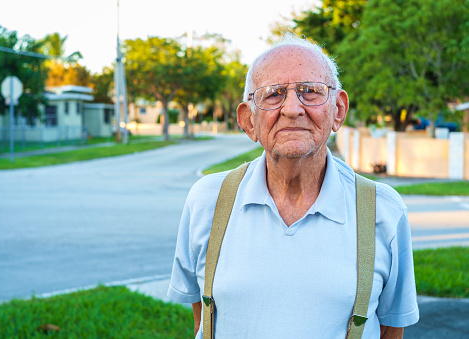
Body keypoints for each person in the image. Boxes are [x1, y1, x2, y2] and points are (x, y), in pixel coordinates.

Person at [167, 34, 419, 338]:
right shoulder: (208, 200)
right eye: (273, 94)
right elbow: (202, 322)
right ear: (248, 121)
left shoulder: (383, 211)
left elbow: (392, 329)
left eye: (310, 91)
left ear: (338, 110)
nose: (292, 109)